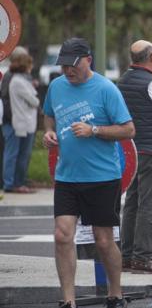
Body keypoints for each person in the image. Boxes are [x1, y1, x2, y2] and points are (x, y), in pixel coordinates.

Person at [42, 38, 135, 308]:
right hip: (67, 176)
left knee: (103, 240)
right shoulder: (57, 87)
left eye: (73, 65)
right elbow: (49, 115)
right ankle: (68, 301)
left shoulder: (106, 89)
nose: (68, 71)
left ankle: (115, 294)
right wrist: (48, 132)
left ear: (88, 60)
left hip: (102, 177)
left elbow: (128, 130)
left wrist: (94, 130)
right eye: (64, 66)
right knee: (62, 234)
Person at [118, 40, 152, 273]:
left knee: (131, 203)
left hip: (130, 152)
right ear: (151, 58)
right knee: (148, 205)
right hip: (151, 150)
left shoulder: (122, 81)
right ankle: (143, 256)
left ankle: (127, 255)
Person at [4, 53, 38, 193]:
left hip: (24, 122)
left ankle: (14, 182)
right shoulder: (19, 81)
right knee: (20, 155)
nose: (31, 67)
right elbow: (34, 100)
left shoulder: (20, 80)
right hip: (23, 122)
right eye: (30, 64)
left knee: (18, 154)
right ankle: (14, 183)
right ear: (25, 66)